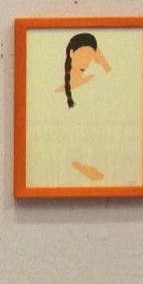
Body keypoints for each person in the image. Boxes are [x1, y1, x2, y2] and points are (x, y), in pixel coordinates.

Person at [53, 32, 112, 181]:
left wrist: (104, 64)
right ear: (72, 54)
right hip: (66, 162)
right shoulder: (57, 92)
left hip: (95, 156)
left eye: (90, 56)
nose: (86, 61)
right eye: (83, 54)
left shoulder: (96, 82)